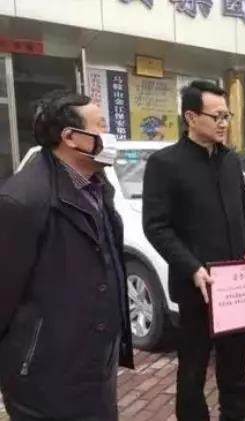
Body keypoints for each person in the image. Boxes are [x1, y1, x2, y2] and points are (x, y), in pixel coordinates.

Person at [0, 91, 134, 420]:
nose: (109, 136)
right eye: (101, 126)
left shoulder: (97, 185)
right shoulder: (22, 200)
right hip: (44, 377)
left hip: (94, 365)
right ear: (70, 137)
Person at [142, 81, 245, 421]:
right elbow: (156, 226)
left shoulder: (230, 160)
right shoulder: (165, 164)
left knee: (235, 360)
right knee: (193, 366)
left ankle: (236, 415)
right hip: (196, 285)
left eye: (227, 115)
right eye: (217, 116)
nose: (224, 123)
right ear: (191, 117)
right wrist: (192, 267)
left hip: (235, 285)